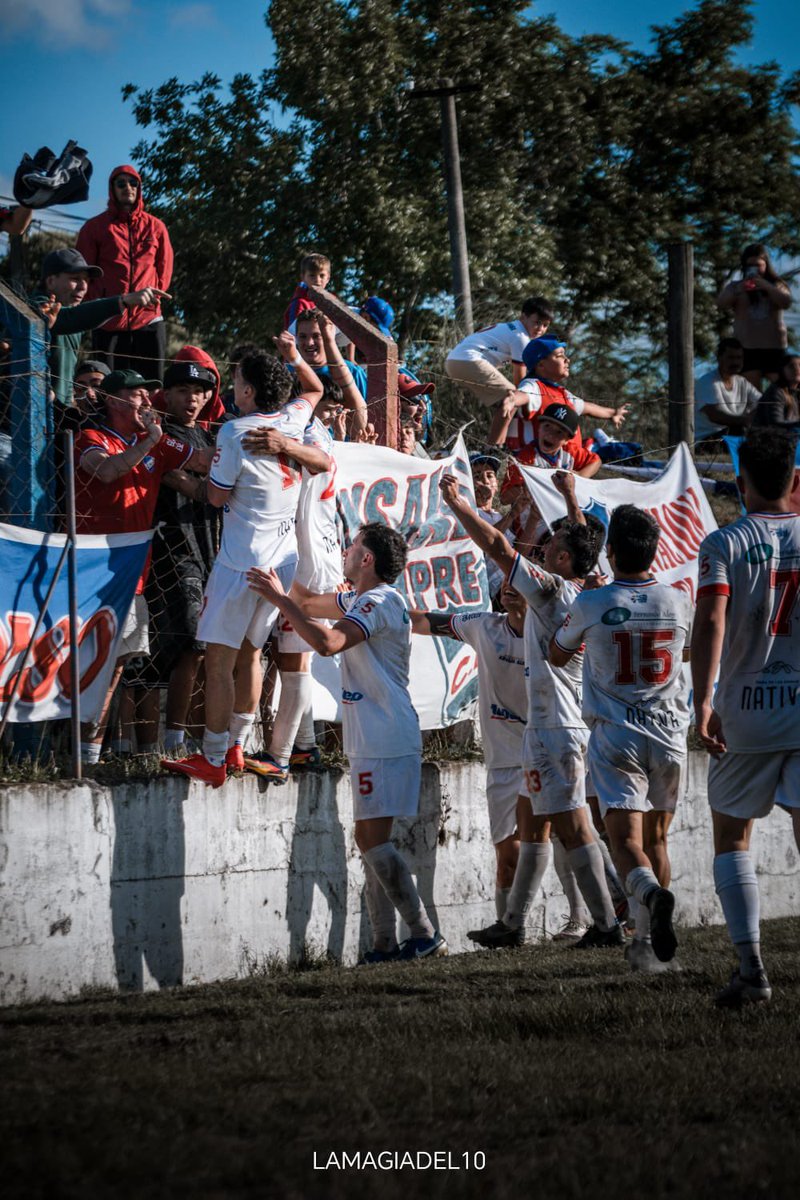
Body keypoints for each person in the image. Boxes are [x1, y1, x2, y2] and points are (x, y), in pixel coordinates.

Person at [246, 523, 447, 963]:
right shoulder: (357, 598)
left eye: (353, 545)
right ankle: (383, 944)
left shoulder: (376, 601)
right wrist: (296, 557)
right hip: (373, 734)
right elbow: (309, 602)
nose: (347, 549)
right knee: (374, 841)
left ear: (367, 559)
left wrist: (279, 600)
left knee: (371, 840)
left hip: (385, 734)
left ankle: (424, 933)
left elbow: (328, 642)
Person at [439, 470, 622, 949]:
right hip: (555, 725)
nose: (542, 548)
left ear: (562, 559)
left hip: (555, 726)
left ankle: (606, 923)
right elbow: (581, 545)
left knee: (573, 828)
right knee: (532, 822)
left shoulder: (552, 591)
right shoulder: (586, 594)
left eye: (551, 544)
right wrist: (570, 498)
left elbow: (500, 547)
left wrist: (459, 506)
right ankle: (514, 923)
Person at [162, 339, 326, 787]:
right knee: (251, 653)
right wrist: (292, 354)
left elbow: (214, 496)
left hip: (240, 561)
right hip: (281, 561)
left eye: (235, 382)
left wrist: (178, 475)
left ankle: (213, 759)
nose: (231, 390)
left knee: (219, 660)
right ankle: (237, 744)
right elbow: (314, 389)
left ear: (249, 391)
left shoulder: (234, 432)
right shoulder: (291, 419)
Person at [550, 505, 692, 972]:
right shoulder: (678, 600)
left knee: (624, 840)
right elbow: (686, 649)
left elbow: (557, 653)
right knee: (657, 840)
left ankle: (650, 898)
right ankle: (651, 945)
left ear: (610, 552)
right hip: (669, 733)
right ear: (655, 551)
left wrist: (591, 612)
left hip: (617, 735)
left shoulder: (591, 602)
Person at [691, 428, 800, 1006]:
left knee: (732, 838)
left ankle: (752, 969)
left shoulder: (724, 541)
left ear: (739, 484)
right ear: (797, 480)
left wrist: (702, 701)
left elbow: (710, 621)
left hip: (747, 710)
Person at [74, 368, 211, 763]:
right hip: (90, 570)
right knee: (86, 662)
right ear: (113, 399)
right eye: (137, 395)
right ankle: (72, 752)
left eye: (148, 395)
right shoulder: (92, 437)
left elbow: (202, 461)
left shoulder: (157, 441)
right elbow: (105, 469)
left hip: (134, 575)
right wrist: (150, 442)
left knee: (117, 666)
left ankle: (91, 754)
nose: (147, 402)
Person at [410, 581, 528, 928]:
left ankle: (599, 917)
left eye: (519, 581)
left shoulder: (553, 630)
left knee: (573, 838)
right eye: (506, 580)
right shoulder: (485, 625)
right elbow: (427, 621)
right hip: (504, 762)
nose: (510, 587)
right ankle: (510, 927)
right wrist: (383, 612)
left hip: (550, 753)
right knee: (508, 854)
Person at [137, 359, 222, 754]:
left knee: (204, 647)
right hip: (170, 546)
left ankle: (188, 737)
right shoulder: (156, 433)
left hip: (211, 549)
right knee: (178, 643)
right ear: (166, 394)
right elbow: (196, 487)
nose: (193, 399)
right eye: (183, 391)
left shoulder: (208, 438)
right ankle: (158, 742)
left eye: (200, 392)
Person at [32, 247, 167, 407]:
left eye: (87, 281)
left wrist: (67, 411)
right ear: (51, 281)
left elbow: (65, 379)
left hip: (54, 416)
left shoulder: (74, 317)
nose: (83, 287)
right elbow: (67, 319)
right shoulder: (35, 308)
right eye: (75, 278)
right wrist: (123, 301)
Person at [76, 165, 174, 377]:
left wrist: (151, 298)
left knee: (150, 390)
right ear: (112, 188)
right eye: (121, 183)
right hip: (108, 322)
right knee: (111, 393)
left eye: (133, 183)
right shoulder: (94, 228)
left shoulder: (156, 227)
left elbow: (164, 269)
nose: (127, 188)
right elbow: (83, 274)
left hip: (148, 321)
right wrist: (101, 305)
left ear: (139, 188)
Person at [489, 337, 629, 451]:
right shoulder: (534, 386)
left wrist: (613, 413)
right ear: (541, 365)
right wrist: (512, 400)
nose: (567, 360)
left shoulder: (561, 393)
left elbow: (587, 407)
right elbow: (524, 395)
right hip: (538, 469)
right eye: (560, 356)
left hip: (563, 467)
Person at [445, 297, 553, 409]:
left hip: (453, 361)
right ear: (523, 317)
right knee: (513, 398)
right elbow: (519, 378)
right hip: (468, 360)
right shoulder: (521, 337)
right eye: (537, 322)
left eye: (545, 325)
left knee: (506, 401)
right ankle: (504, 427)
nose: (540, 329)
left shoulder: (510, 328)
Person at [716, 244, 792, 388]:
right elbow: (720, 304)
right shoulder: (736, 286)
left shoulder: (777, 285)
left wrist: (766, 286)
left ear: (766, 265)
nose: (754, 269)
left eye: (758, 265)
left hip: (774, 349)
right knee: (753, 397)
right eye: (750, 265)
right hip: (747, 349)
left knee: (784, 392)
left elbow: (785, 302)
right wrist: (738, 290)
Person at [295, 309, 368, 438]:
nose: (309, 343)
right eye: (303, 336)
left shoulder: (352, 371)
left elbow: (367, 418)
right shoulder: (290, 374)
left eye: (316, 336)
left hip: (344, 451)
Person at [694, 337, 761, 442]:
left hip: (733, 432)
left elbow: (763, 403)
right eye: (731, 358)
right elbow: (714, 415)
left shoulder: (742, 382)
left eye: (739, 358)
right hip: (707, 439)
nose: (736, 362)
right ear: (719, 358)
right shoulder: (707, 381)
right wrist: (745, 420)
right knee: (746, 433)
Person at [283, 253, 332, 331]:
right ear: (303, 277)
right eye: (312, 275)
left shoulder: (331, 302)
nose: (317, 280)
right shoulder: (300, 303)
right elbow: (294, 333)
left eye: (322, 275)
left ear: (328, 278)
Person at [751, 353, 800, 428]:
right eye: (791, 366)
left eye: (799, 365)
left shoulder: (795, 393)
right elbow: (775, 424)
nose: (797, 369)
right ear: (782, 371)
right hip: (767, 437)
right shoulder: (776, 391)